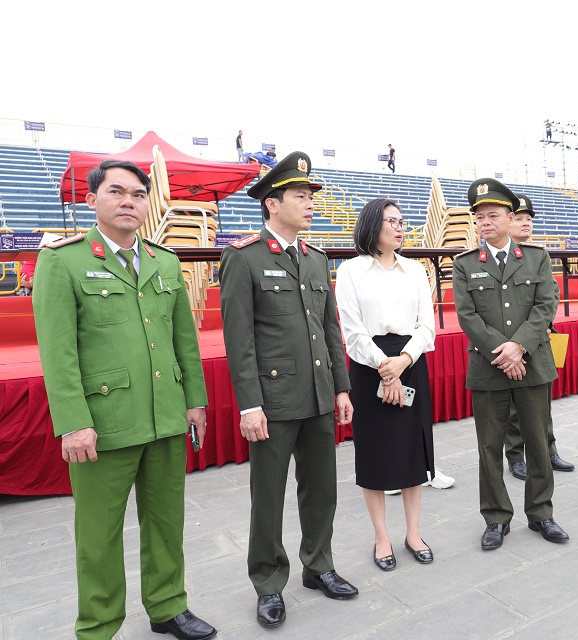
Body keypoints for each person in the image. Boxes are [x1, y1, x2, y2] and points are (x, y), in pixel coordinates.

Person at [33, 160, 216, 640]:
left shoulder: (165, 261)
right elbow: (58, 352)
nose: (129, 201)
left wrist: (194, 402)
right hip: (103, 422)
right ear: (92, 200)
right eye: (117, 191)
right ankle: (98, 626)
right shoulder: (64, 260)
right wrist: (72, 421)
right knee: (98, 536)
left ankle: (167, 606)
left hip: (165, 415)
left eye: (138, 194)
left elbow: (184, 342)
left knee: (165, 523)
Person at [219, 151, 357, 628]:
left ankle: (319, 566)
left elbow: (330, 329)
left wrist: (341, 389)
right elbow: (239, 341)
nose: (310, 203)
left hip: (320, 396)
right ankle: (268, 582)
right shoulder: (244, 256)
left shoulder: (315, 258)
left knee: (321, 490)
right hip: (273, 403)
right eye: (300, 195)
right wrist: (250, 404)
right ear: (272, 204)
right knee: (269, 496)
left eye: (311, 196)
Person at [452, 178, 569, 551]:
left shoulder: (536, 258)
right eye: (479, 217)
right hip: (488, 368)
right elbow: (468, 316)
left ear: (509, 217)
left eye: (493, 215)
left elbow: (545, 306)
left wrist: (518, 347)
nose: (485, 222)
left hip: (532, 364)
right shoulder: (465, 264)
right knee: (489, 447)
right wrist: (503, 353)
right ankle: (496, 518)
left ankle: (541, 514)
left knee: (537, 443)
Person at [335, 198, 437, 571]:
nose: (399, 226)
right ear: (372, 225)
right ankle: (381, 536)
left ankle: (413, 533)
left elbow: (427, 326)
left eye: (402, 220)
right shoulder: (350, 271)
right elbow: (352, 330)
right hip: (369, 364)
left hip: (410, 359)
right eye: (391, 220)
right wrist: (384, 368)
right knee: (375, 454)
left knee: (412, 450)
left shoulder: (415, 270)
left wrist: (403, 362)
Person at [503, 194, 575, 480]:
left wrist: (539, 327)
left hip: (539, 338)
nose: (525, 223)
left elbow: (550, 297)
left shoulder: (537, 256)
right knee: (512, 405)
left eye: (528, 219)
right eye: (519, 218)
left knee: (542, 401)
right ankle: (515, 455)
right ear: (507, 221)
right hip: (509, 343)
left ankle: (549, 449)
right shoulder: (494, 259)